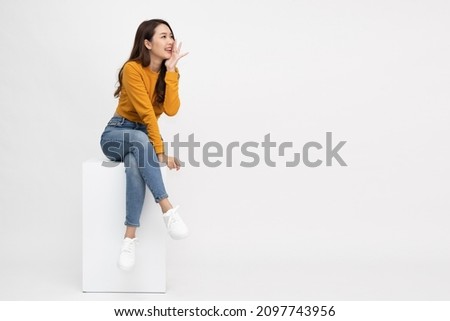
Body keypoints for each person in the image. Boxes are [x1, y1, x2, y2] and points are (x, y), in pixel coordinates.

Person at [100, 19, 189, 271]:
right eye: (163, 36)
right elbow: (148, 115)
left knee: (133, 165)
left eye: (171, 35)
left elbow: (171, 110)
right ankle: (168, 210)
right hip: (116, 134)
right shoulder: (132, 69)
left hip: (142, 140)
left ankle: (129, 238)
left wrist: (171, 73)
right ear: (147, 43)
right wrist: (159, 152)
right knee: (139, 139)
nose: (170, 41)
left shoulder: (168, 73)